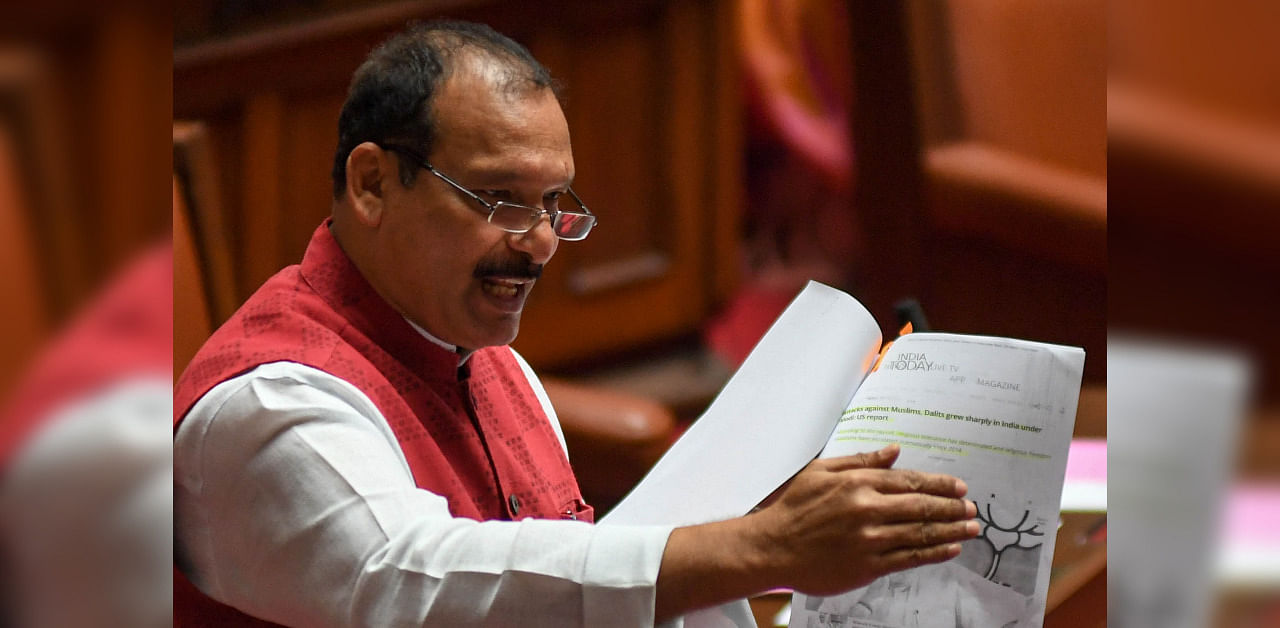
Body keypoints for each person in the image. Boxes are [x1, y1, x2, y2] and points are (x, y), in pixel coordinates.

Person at [173, 20, 980, 627]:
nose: (535, 244)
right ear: (374, 183)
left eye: (554, 204)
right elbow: (411, 582)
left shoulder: (484, 359)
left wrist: (780, 537)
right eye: (500, 201)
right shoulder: (268, 407)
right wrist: (764, 547)